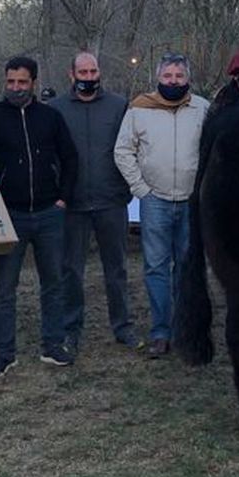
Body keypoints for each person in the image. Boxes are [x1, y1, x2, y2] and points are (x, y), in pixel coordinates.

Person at [0, 56, 79, 379]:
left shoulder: (50, 116)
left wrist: (63, 197)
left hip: (50, 212)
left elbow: (70, 157)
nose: (15, 88)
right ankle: (4, 354)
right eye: (10, 82)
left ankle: (53, 345)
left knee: (53, 283)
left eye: (22, 82)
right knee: (4, 289)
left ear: (33, 82)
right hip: (10, 215)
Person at [114, 54, 210, 357]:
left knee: (186, 267)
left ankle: (184, 328)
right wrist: (141, 189)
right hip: (154, 199)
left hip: (191, 200)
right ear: (158, 78)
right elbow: (123, 151)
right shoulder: (140, 108)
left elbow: (212, 150)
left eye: (179, 76)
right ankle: (160, 331)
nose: (173, 81)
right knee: (156, 267)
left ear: (188, 78)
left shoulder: (203, 109)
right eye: (167, 76)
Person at [48, 52, 136, 354]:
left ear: (100, 72)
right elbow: (51, 156)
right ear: (71, 75)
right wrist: (58, 193)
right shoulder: (56, 108)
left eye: (93, 71)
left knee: (117, 269)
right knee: (71, 270)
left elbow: (130, 148)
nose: (89, 77)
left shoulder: (118, 105)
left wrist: (128, 186)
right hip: (72, 204)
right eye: (82, 72)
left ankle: (122, 326)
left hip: (111, 200)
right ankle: (72, 328)